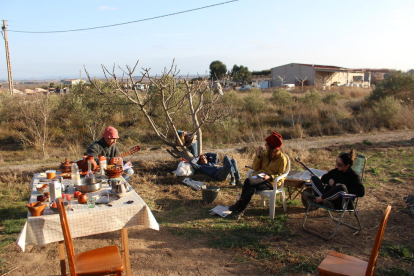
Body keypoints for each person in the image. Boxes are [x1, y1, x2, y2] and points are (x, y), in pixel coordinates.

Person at [229, 132, 288, 219]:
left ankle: (239, 204)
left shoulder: (282, 159)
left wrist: (270, 177)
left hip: (270, 183)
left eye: (267, 144)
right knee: (251, 189)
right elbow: (256, 168)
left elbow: (282, 174)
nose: (265, 145)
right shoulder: (264, 154)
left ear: (272, 147)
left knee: (248, 181)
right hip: (259, 179)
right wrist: (258, 155)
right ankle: (241, 210)